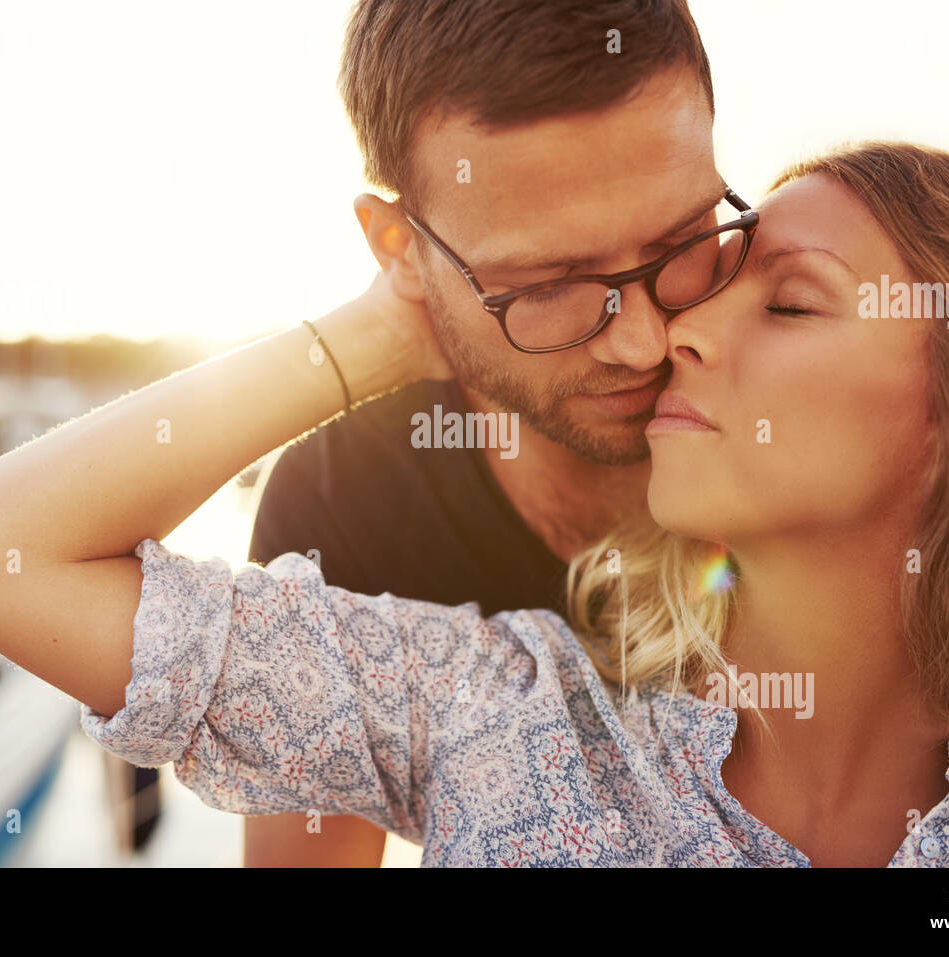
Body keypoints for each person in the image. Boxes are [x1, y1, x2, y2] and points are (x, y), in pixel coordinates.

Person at [0, 137, 949, 866]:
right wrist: (402, 318)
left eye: (789, 303)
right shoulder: (494, 714)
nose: (675, 327)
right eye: (712, 284)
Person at [241, 0, 716, 865]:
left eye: (682, 238)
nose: (643, 340)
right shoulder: (350, 500)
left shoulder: (808, 423)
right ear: (399, 248)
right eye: (547, 281)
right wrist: (375, 335)